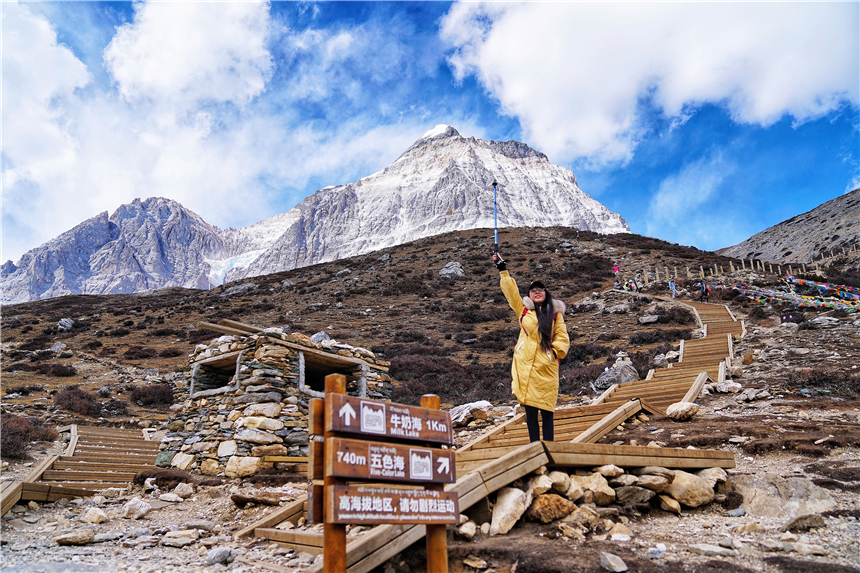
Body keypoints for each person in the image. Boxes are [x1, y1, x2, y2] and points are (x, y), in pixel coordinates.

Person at [494, 252, 570, 442]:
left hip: (546, 367)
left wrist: (553, 353)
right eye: (533, 290)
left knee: (547, 411)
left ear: (546, 293)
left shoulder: (555, 314)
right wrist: (503, 269)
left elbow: (562, 337)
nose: (537, 292)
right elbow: (511, 293)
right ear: (529, 294)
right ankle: (534, 447)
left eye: (540, 289)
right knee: (530, 411)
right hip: (526, 365)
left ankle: (549, 447)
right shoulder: (524, 310)